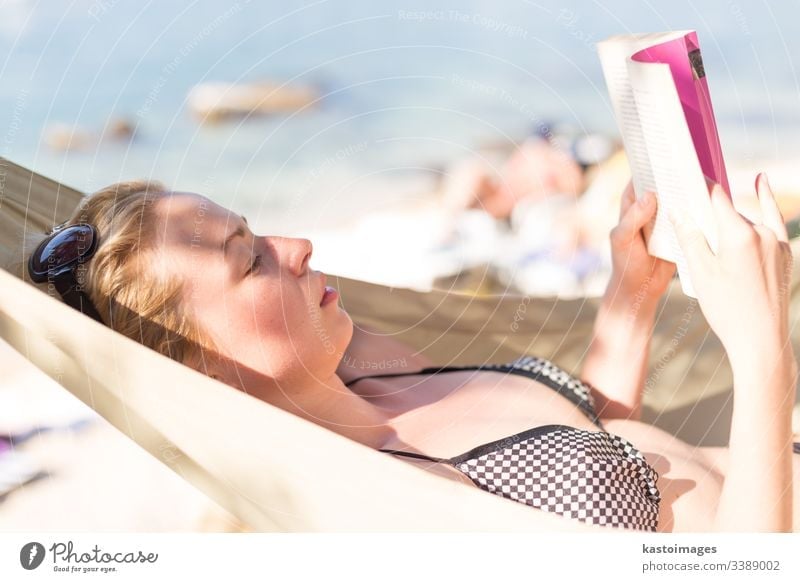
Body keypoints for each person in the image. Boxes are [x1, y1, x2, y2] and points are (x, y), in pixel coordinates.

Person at [19, 175, 800, 533]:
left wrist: (630, 300)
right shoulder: (386, 509)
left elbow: (603, 444)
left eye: (257, 229)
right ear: (200, 365)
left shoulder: (368, 364)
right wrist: (764, 350)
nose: (296, 246)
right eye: (249, 259)